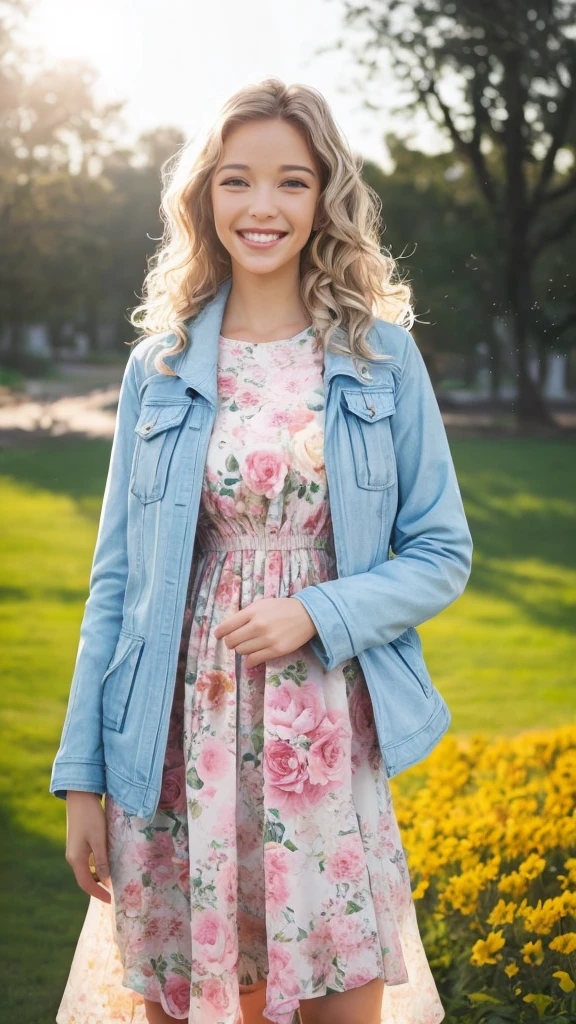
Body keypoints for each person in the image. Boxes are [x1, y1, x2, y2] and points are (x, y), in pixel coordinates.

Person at [50, 78, 471, 1024]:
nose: (263, 207)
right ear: (206, 198)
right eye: (237, 181)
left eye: (291, 181)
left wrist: (316, 611)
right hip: (173, 741)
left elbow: (441, 550)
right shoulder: (155, 370)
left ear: (324, 195)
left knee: (336, 998)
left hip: (320, 733)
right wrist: (83, 776)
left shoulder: (380, 359)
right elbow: (115, 579)